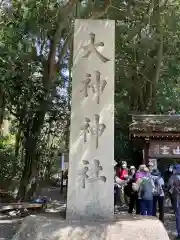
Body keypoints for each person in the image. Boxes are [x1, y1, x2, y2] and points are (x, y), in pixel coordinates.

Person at [168, 164, 180, 239]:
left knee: (178, 216)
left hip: (177, 198)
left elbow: (169, 187)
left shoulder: (173, 177)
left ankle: (179, 234)